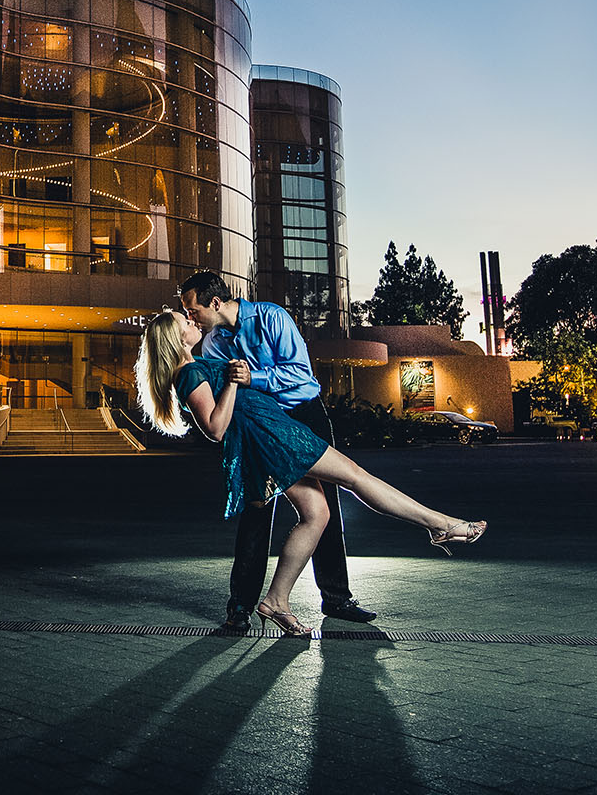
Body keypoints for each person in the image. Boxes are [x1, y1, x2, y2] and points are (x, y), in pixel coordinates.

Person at [136, 308, 487, 635]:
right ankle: (442, 525)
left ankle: (275, 601)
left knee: (318, 513)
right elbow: (215, 427)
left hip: (273, 432)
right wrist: (231, 383)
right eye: (186, 321)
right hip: (273, 437)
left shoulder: (197, 364)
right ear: (176, 337)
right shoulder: (189, 373)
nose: (193, 322)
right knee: (354, 476)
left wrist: (239, 381)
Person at [176, 271, 371, 629]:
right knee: (256, 510)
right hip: (260, 426)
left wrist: (255, 379)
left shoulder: (272, 317)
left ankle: (337, 597)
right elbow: (225, 397)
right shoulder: (212, 344)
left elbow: (301, 375)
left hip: (304, 414)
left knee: (324, 506)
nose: (190, 317)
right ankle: (240, 606)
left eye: (192, 309)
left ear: (215, 303)